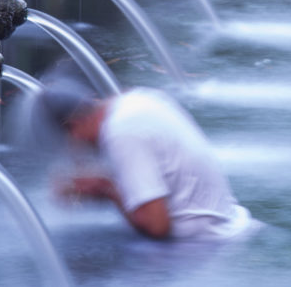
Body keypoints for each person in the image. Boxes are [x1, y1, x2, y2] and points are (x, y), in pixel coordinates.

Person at [43, 78, 254, 240]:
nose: (76, 149)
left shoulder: (122, 132)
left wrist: (106, 190)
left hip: (204, 245)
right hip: (234, 225)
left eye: (70, 141)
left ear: (74, 127)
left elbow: (157, 226)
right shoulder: (136, 100)